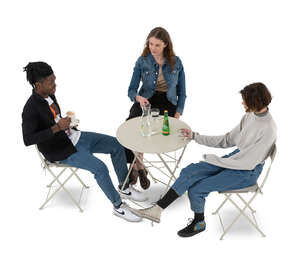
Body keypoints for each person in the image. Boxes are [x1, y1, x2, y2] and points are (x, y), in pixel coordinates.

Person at [131, 82, 277, 237]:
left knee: (197, 188)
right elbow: (227, 139)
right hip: (236, 158)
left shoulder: (268, 128)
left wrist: (218, 162)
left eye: (245, 100)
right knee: (190, 171)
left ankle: (199, 223)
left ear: (255, 102)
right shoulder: (250, 115)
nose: (242, 103)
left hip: (247, 171)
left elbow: (248, 163)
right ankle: (157, 210)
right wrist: (195, 136)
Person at [22, 61, 146, 222]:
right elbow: (28, 139)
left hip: (74, 136)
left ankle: (125, 187)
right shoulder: (30, 108)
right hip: (61, 150)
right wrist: (57, 128)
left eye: (55, 79)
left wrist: (67, 123)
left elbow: (54, 117)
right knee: (100, 168)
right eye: (51, 82)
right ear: (38, 84)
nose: (55, 85)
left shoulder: (49, 95)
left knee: (116, 144)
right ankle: (118, 206)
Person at [125, 27, 187, 189]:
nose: (152, 48)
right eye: (150, 44)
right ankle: (138, 167)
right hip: (146, 99)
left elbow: (183, 92)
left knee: (156, 132)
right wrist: (138, 98)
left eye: (157, 45)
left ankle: (137, 170)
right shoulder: (142, 60)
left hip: (168, 101)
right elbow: (131, 90)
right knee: (130, 128)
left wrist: (178, 112)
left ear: (166, 44)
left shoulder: (176, 62)